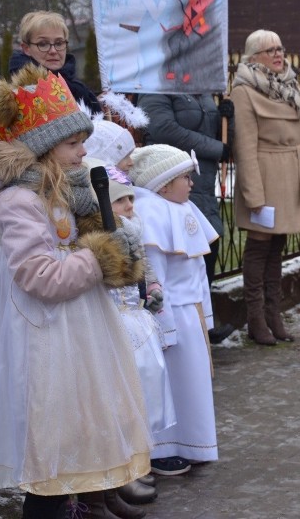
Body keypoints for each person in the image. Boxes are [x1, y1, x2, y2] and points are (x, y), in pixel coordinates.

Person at [0, 65, 153, 518]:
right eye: (73, 144)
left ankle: (86, 497)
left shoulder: (54, 192)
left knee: (75, 429)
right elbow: (38, 276)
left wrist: (106, 247)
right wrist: (98, 257)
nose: (82, 153)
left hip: (69, 330)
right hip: (42, 335)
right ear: (42, 148)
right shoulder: (19, 201)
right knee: (49, 440)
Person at [129, 144, 219, 475]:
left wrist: (204, 316)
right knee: (168, 384)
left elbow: (197, 274)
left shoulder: (184, 207)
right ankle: (164, 449)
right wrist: (164, 326)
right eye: (184, 177)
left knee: (192, 385)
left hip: (189, 315)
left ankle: (191, 441)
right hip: (172, 317)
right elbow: (156, 279)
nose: (191, 183)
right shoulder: (152, 214)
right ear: (163, 184)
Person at [230, 29, 300, 345]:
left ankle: (273, 313)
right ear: (254, 58)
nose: (278, 54)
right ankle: (256, 318)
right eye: (270, 51)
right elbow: (245, 147)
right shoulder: (244, 92)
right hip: (264, 176)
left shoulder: (288, 86)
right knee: (259, 247)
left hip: (288, 174)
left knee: (277, 248)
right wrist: (253, 195)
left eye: (280, 48)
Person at [103, 165, 177, 511]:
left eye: (132, 198)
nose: (131, 205)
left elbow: (144, 269)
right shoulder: (101, 238)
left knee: (146, 392)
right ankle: (121, 470)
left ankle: (139, 462)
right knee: (122, 399)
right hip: (116, 329)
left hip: (138, 326)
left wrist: (153, 288)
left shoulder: (132, 232)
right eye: (122, 201)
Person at [136, 93, 236, 344]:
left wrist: (227, 118)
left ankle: (204, 321)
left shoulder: (202, 91)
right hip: (169, 177)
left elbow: (222, 137)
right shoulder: (157, 89)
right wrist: (214, 148)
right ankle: (170, 327)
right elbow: (163, 128)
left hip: (198, 185)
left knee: (204, 251)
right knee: (174, 255)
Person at [10, 10, 101, 112]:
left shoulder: (81, 91)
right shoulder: (15, 97)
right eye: (43, 44)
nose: (53, 51)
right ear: (26, 48)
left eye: (59, 43)